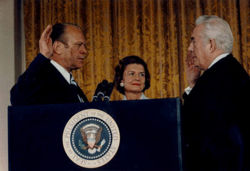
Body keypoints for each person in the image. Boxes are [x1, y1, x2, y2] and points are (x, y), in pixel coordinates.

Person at [182, 15, 250, 171]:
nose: (189, 48)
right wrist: (193, 84)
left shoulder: (216, 79)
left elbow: (191, 130)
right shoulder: (231, 71)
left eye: (193, 41)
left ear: (211, 44)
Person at [10, 23, 89, 105]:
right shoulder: (42, 79)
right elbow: (18, 98)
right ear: (58, 47)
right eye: (78, 45)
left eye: (84, 45)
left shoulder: (70, 83)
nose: (84, 51)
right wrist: (43, 56)